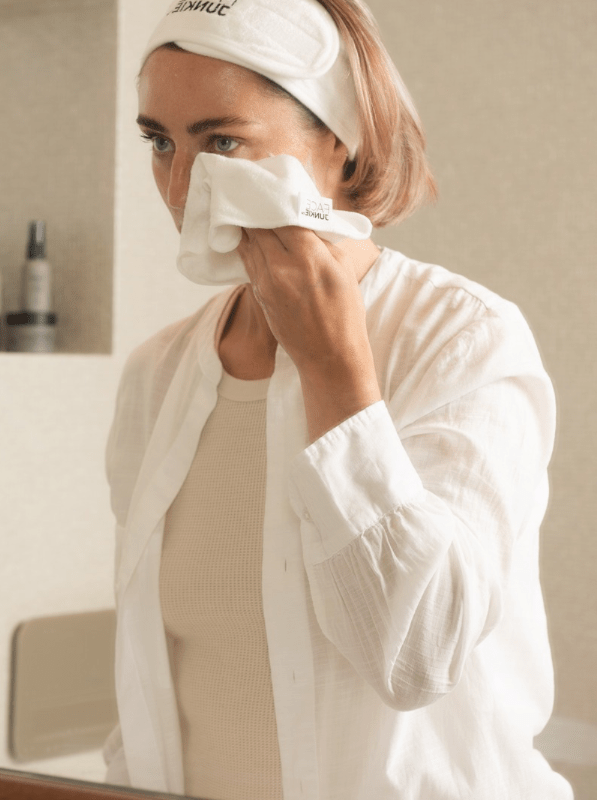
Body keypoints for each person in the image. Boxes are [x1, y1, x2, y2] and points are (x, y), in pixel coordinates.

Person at [103, 1, 573, 798]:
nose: (181, 186)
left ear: (339, 144)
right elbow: (151, 684)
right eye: (160, 143)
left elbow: (420, 656)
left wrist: (335, 372)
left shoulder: (461, 340)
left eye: (223, 141)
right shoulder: (161, 373)